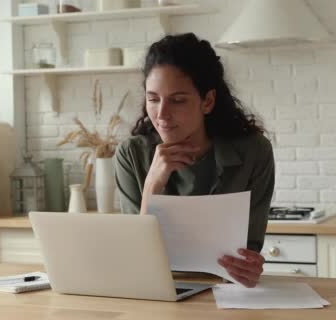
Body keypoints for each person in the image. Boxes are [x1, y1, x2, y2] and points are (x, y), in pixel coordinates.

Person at [113, 33, 275, 288]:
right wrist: (153, 184)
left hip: (226, 293)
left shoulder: (254, 152)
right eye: (153, 99)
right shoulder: (130, 155)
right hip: (157, 292)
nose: (161, 114)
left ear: (207, 101)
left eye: (177, 100)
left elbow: (249, 247)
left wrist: (249, 266)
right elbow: (135, 259)